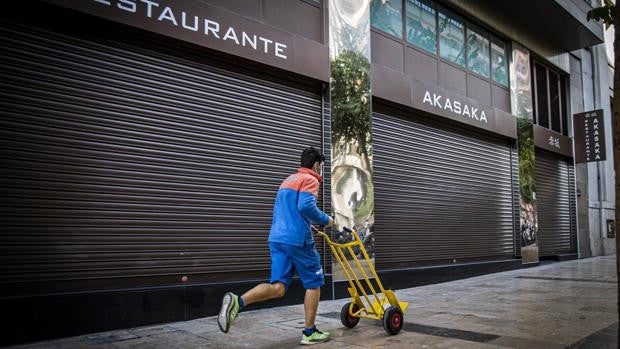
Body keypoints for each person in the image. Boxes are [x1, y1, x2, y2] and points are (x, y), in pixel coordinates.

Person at [217, 146, 334, 345]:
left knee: (278, 287)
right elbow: (306, 206)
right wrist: (326, 220)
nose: (321, 170)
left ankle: (238, 301)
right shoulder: (310, 179)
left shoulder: (288, 180)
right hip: (298, 241)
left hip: (277, 238)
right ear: (316, 165)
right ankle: (309, 332)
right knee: (314, 283)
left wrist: (307, 224)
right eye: (321, 166)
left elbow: (289, 211)